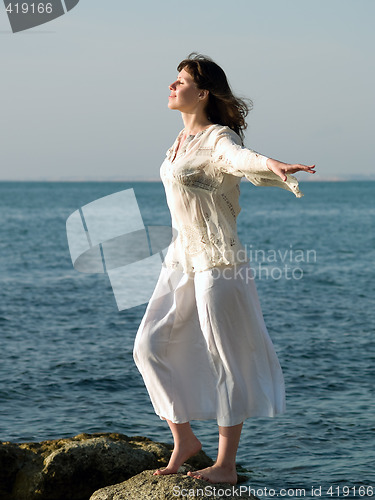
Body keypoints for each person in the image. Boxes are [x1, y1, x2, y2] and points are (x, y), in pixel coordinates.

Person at [133, 53, 315, 485]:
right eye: (174, 81)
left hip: (218, 263)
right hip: (180, 260)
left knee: (224, 359)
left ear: (203, 92)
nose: (172, 87)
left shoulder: (217, 138)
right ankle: (186, 440)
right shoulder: (178, 143)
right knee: (147, 346)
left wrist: (271, 164)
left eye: (180, 81)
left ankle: (226, 466)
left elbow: (240, 158)